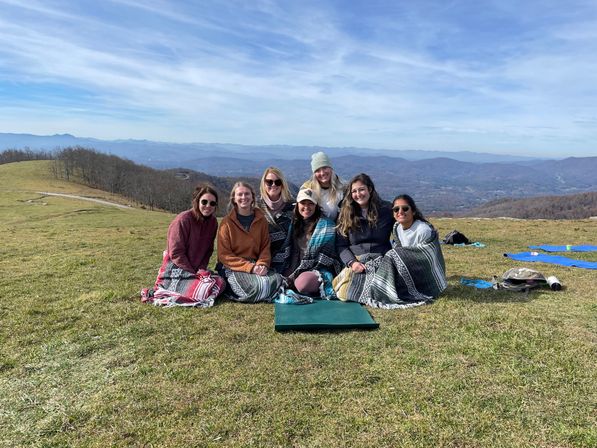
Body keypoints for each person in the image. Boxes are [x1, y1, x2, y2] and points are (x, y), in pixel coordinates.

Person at [141, 184, 225, 307]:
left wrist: (201, 269)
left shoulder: (212, 223)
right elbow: (176, 253)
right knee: (203, 291)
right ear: (196, 201)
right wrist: (193, 273)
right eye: (204, 202)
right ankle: (161, 292)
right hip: (176, 269)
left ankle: (195, 288)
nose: (208, 206)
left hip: (196, 270)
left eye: (212, 203)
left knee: (221, 283)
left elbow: (208, 250)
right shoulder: (183, 220)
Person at [217, 181, 285, 302]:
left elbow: (265, 246)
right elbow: (224, 255)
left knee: (277, 280)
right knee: (252, 287)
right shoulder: (226, 223)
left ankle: (261, 291)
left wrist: (262, 264)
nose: (244, 197)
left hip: (255, 264)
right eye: (240, 195)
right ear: (234, 198)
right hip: (233, 266)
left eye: (247, 194)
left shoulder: (261, 220)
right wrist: (250, 268)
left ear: (253, 197)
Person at [333, 173, 393, 300]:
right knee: (345, 294)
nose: (358, 194)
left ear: (370, 189)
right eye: (354, 191)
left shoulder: (387, 210)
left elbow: (405, 223)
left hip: (382, 259)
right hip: (357, 261)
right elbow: (341, 245)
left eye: (361, 189)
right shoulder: (345, 214)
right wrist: (353, 263)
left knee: (387, 291)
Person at [279, 188, 341, 301]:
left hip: (318, 269)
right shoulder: (293, 224)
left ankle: (313, 285)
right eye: (303, 203)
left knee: (302, 284)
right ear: (297, 205)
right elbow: (293, 251)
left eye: (310, 203)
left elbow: (327, 259)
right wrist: (292, 271)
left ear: (316, 206)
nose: (306, 207)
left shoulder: (327, 226)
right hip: (296, 266)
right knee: (278, 278)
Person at [255, 167, 294, 273]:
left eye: (277, 182)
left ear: (282, 184)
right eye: (269, 182)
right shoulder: (255, 208)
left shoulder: (293, 207)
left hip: (288, 264)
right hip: (259, 264)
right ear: (263, 184)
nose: (273, 185)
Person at [301, 151, 343, 221]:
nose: (322, 173)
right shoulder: (307, 189)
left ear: (331, 168)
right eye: (317, 170)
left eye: (324, 168)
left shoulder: (343, 187)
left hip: (337, 228)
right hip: (313, 228)